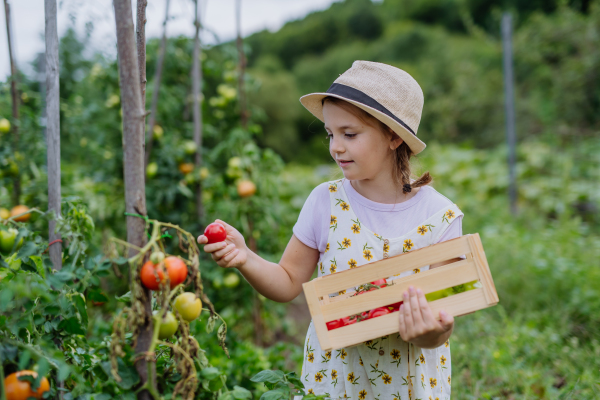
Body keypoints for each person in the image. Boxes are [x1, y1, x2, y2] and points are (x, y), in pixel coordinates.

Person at [198, 60, 463, 400]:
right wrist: (245, 257)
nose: (336, 146)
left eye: (349, 134)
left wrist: (425, 331)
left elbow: (442, 324)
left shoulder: (439, 216)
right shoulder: (326, 201)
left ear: (394, 136)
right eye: (330, 134)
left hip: (407, 385)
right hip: (336, 381)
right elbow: (288, 281)